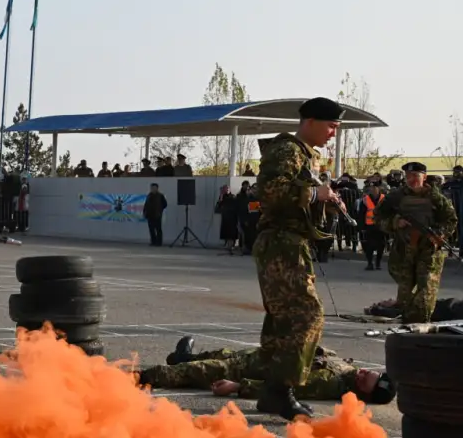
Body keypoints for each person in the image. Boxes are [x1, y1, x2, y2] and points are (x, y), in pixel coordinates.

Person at [253, 96, 346, 420]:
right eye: (331, 125)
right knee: (308, 315)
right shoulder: (287, 150)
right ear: (310, 122)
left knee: (283, 320)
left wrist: (326, 203)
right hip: (281, 242)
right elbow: (269, 192)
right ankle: (280, 390)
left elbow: (297, 198)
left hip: (290, 242)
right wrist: (315, 194)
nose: (333, 132)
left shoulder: (307, 155)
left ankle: (272, 391)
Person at [137, 337, 397, 406]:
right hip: (261, 357)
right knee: (218, 354)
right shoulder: (349, 370)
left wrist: (239, 387)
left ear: (363, 394)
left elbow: (285, 388)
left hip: (249, 372)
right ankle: (184, 357)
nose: (363, 373)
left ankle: (141, 376)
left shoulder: (330, 384)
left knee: (200, 370)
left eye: (366, 380)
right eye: (368, 372)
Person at [374, 161, 458, 322]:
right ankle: (408, 321)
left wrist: (438, 235)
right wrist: (395, 222)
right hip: (404, 250)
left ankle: (421, 321)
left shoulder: (436, 198)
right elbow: (378, 217)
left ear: (424, 177)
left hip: (428, 250)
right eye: (408, 176)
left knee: (426, 292)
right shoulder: (395, 197)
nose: (411, 179)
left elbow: (451, 220)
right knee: (405, 294)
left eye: (415, 176)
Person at [358, 180, 387, 270]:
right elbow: (361, 214)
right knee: (369, 246)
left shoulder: (384, 199)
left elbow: (388, 213)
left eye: (375, 187)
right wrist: (361, 227)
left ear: (379, 188)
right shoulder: (365, 199)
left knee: (381, 245)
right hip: (369, 226)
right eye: (371, 187)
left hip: (381, 226)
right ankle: (370, 263)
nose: (373, 189)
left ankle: (378, 262)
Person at [215, 185, 239, 252]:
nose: (227, 190)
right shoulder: (222, 197)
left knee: (232, 233)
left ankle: (231, 245)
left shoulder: (233, 197)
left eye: (228, 189)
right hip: (225, 217)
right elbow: (219, 204)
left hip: (232, 217)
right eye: (225, 189)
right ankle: (227, 245)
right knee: (226, 232)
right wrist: (221, 196)